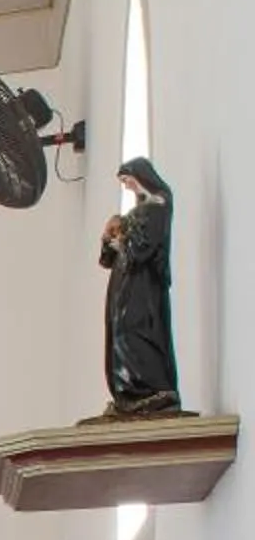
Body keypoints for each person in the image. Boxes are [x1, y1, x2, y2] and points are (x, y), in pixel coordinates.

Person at [99, 157, 185, 420]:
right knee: (119, 334)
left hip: (142, 288)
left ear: (141, 177)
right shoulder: (140, 210)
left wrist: (123, 238)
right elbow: (110, 258)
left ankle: (150, 391)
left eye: (127, 181)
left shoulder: (157, 206)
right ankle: (128, 395)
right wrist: (109, 238)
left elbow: (143, 249)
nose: (126, 187)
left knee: (137, 332)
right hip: (124, 285)